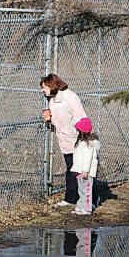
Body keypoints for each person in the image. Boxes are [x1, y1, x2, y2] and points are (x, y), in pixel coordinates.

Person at [40, 73, 88, 208]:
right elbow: (59, 117)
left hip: (76, 138)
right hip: (65, 139)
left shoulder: (69, 97)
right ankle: (72, 197)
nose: (43, 90)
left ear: (51, 85)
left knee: (79, 169)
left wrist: (82, 137)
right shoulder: (52, 99)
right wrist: (50, 116)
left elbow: (81, 118)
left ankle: (86, 198)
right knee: (71, 168)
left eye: (44, 87)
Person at [70, 117, 101, 215]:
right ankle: (80, 207)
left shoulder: (88, 145)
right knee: (81, 190)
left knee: (86, 191)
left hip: (85, 172)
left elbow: (88, 159)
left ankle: (87, 209)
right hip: (80, 171)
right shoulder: (81, 143)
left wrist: (85, 171)